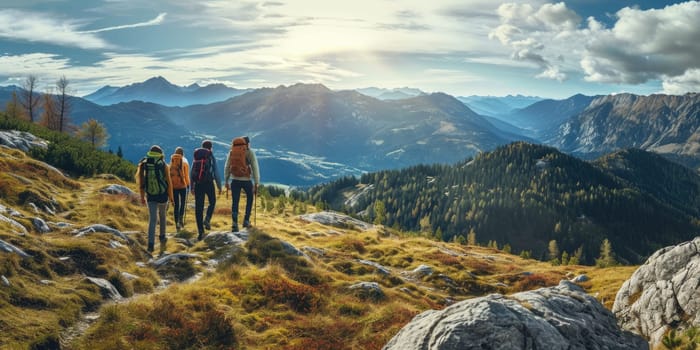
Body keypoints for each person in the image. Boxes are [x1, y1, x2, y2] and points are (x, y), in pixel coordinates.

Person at [136, 145, 174, 253]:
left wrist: (142, 197)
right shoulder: (163, 165)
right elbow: (169, 183)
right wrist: (171, 198)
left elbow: (141, 182)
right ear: (160, 154)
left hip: (150, 195)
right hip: (162, 195)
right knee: (162, 216)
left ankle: (150, 244)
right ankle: (162, 237)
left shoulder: (144, 164)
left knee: (152, 220)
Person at [224, 136, 260, 232]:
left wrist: (227, 180)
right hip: (246, 180)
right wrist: (256, 182)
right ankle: (246, 220)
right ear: (247, 143)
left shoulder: (232, 152)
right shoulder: (250, 152)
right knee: (250, 198)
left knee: (235, 202)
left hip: (234, 180)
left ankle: (234, 223)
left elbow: (227, 166)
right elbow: (255, 167)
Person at [190, 140, 222, 240]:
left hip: (198, 184)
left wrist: (192, 186)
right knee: (212, 201)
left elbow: (192, 172)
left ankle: (200, 232)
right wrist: (219, 186)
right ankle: (207, 219)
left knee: (198, 208)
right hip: (209, 183)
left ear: (202, 146)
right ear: (211, 147)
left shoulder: (197, 155)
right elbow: (216, 172)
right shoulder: (211, 156)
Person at [169, 147, 190, 231]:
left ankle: (176, 223)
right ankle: (181, 219)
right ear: (182, 153)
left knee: (176, 205)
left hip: (174, 186)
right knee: (183, 203)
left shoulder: (172, 161)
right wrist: (188, 184)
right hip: (182, 186)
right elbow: (186, 175)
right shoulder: (184, 161)